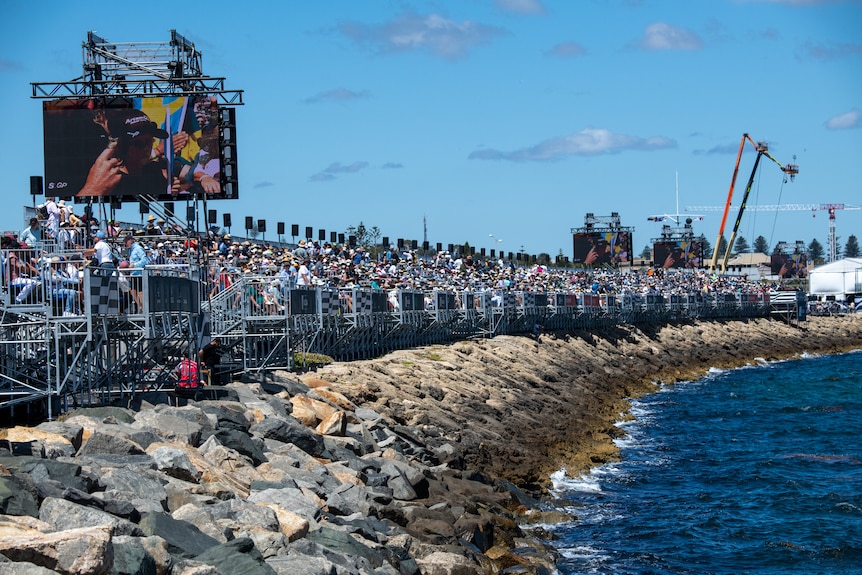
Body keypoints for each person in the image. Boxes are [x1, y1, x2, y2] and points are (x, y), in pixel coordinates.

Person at [77, 108, 179, 198]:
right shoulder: (111, 180)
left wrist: (169, 193)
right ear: (120, 146)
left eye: (148, 142)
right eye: (138, 144)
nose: (146, 148)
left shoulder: (156, 172)